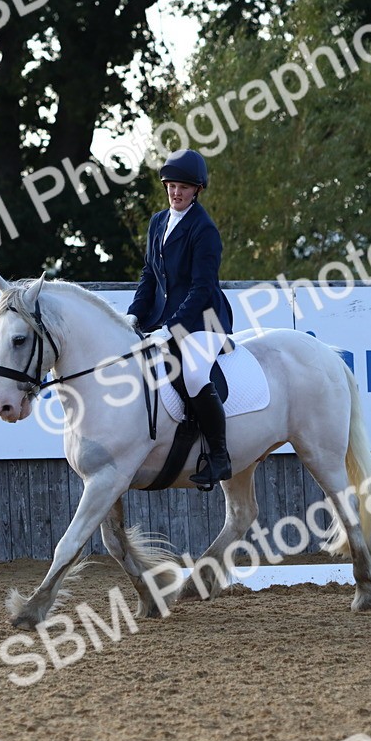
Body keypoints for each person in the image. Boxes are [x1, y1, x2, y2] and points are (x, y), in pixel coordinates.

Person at [127, 148, 235, 488]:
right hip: (162, 319)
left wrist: (171, 329)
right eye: (171, 185)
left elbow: (202, 288)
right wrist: (134, 315)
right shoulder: (158, 222)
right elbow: (150, 275)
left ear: (197, 190)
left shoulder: (204, 230)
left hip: (205, 320)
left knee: (191, 375)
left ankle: (220, 456)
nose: (176, 192)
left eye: (183, 187)